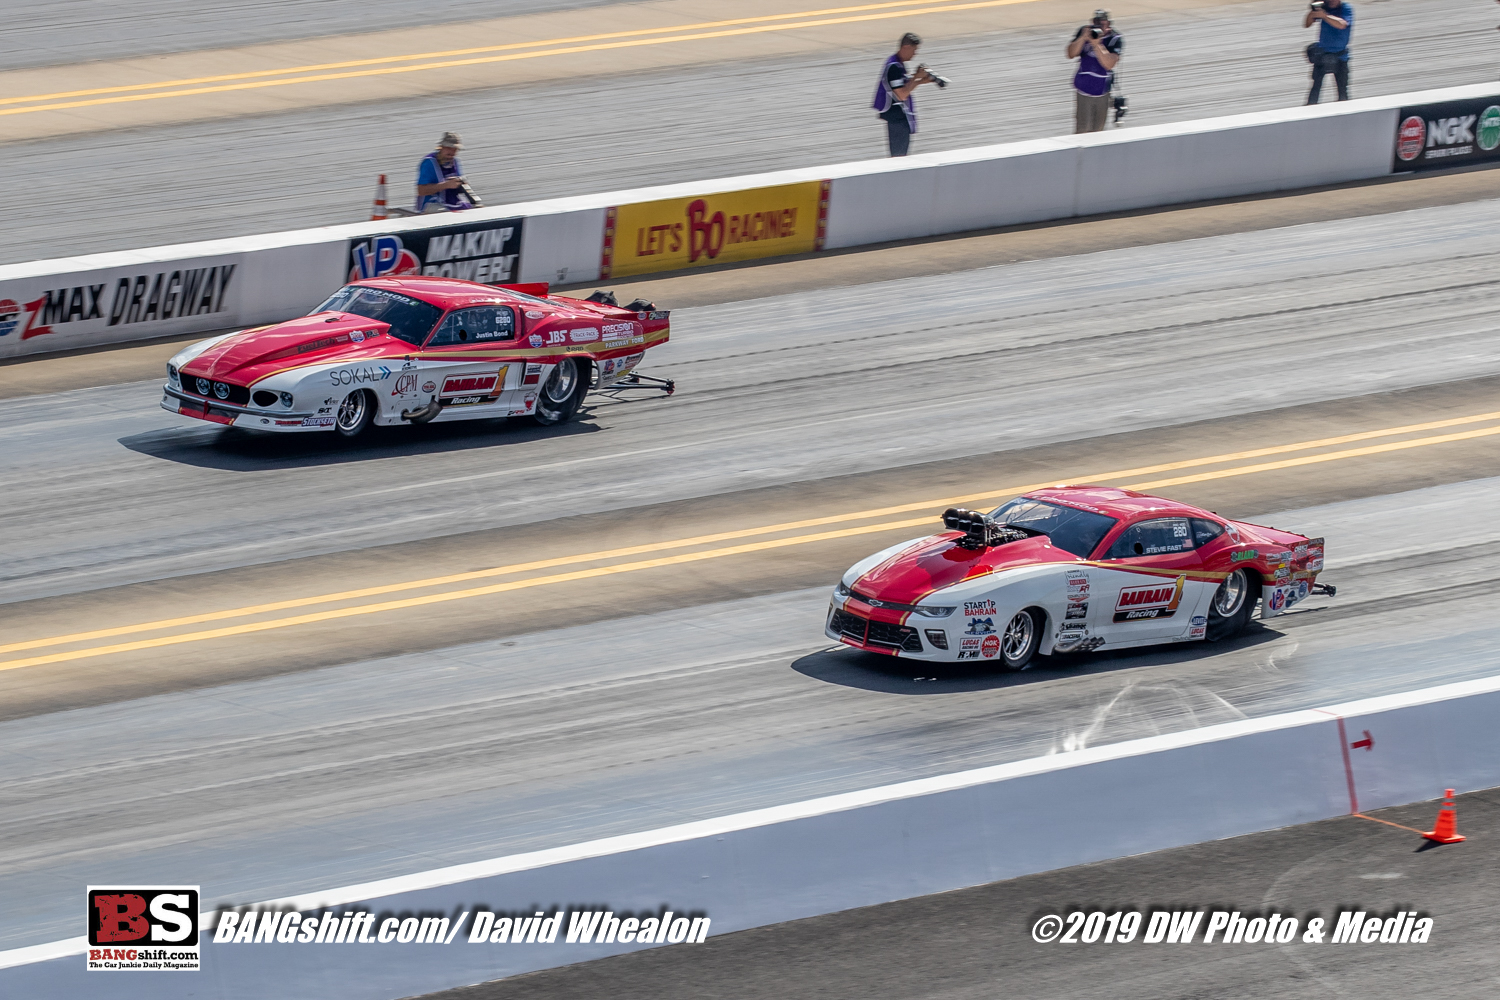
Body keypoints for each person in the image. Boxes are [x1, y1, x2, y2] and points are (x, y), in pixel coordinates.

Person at [873, 32, 936, 157]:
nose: (915, 54)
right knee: (899, 157)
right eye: (914, 50)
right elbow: (902, 94)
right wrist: (917, 78)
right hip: (897, 120)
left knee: (901, 155)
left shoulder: (897, 63)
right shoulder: (894, 67)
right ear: (906, 47)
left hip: (898, 118)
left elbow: (904, 86)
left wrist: (920, 81)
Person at [1067, 11, 1123, 133]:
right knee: (1082, 129)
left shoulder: (1115, 38)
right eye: (1096, 23)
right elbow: (1071, 53)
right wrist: (1083, 38)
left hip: (1102, 91)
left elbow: (1109, 64)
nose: (1098, 27)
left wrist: (1097, 45)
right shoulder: (1085, 32)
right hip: (1084, 90)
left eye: (1102, 24)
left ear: (1108, 24)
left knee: (1098, 131)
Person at [1305, 0, 1353, 104]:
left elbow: (1342, 24)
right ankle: (1310, 111)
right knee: (1315, 89)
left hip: (1340, 56)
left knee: (1342, 92)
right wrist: (1312, 13)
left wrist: (1324, 16)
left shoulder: (1345, 8)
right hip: (1322, 54)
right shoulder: (1324, 6)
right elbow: (1307, 24)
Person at [415, 131, 474, 213]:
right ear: (441, 147)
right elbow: (421, 191)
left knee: (476, 209)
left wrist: (461, 184)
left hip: (452, 201)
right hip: (431, 204)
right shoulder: (429, 162)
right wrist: (446, 185)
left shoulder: (455, 161)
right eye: (449, 148)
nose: (452, 152)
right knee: (447, 214)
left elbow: (457, 185)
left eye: (454, 149)